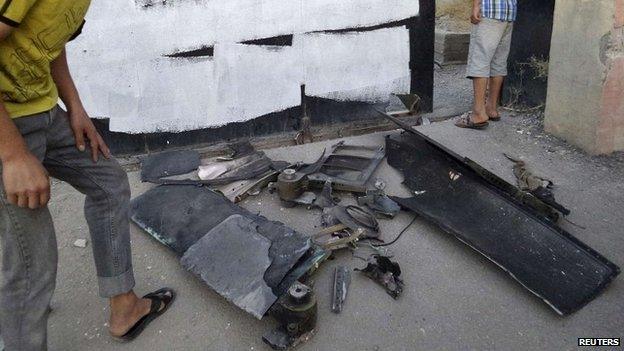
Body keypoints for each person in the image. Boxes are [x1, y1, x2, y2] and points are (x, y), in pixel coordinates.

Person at [0, 1, 174, 349]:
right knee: (31, 264)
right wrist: (13, 154)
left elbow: (49, 41)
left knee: (108, 184)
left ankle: (124, 307)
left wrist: (75, 106)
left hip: (44, 111)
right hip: (9, 126)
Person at [456, 0, 518, 129]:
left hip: (489, 11)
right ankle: (491, 108)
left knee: (480, 60)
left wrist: (476, 5)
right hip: (508, 12)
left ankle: (478, 113)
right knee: (498, 61)